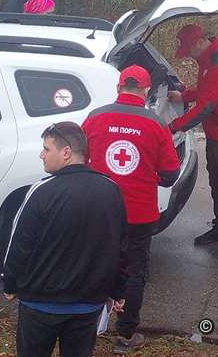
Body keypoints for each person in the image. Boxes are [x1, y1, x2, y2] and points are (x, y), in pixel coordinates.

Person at [2, 121, 128, 357]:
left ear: (66, 152)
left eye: (47, 149)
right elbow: (120, 248)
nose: (42, 155)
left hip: (40, 304)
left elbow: (19, 245)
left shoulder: (40, 191)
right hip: (88, 305)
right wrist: (118, 290)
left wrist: (10, 283)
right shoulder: (111, 190)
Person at [82, 65, 180, 354]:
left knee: (95, 266)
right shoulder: (155, 123)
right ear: (146, 90)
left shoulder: (95, 118)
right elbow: (171, 174)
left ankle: (86, 327)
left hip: (100, 211)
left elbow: (78, 156)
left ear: (118, 87)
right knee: (135, 272)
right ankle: (125, 335)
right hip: (139, 215)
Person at [167, 24, 218, 263]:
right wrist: (184, 96)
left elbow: (207, 106)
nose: (188, 57)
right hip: (217, 130)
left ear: (198, 43)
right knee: (217, 179)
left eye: (187, 51)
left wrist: (174, 127)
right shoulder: (209, 56)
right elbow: (207, 90)